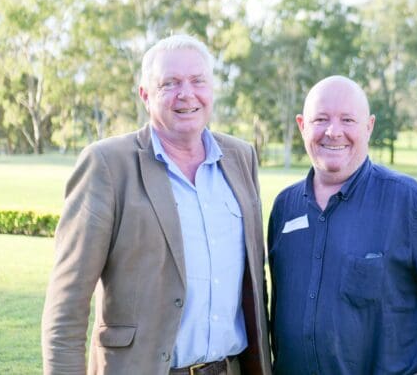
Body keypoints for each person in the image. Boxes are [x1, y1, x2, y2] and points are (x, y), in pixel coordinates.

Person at [42, 34, 271, 375]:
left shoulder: (241, 157)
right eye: (170, 83)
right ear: (145, 95)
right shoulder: (107, 164)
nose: (186, 94)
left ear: (212, 90)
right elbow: (67, 303)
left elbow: (254, 283)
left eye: (197, 81)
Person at [267, 75, 417, 375]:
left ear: (369, 127)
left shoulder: (408, 202)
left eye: (348, 119)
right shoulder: (284, 207)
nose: (333, 131)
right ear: (302, 126)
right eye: (321, 119)